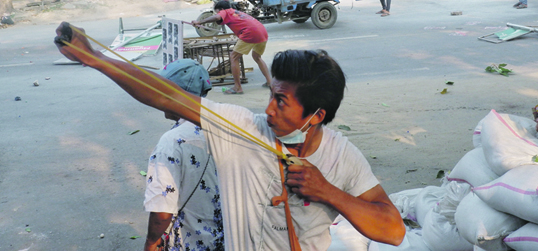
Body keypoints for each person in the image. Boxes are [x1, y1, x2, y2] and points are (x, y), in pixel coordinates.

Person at [54, 24, 405, 250]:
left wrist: (327, 191)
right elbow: (166, 95)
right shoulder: (244, 129)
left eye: (281, 102)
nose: (268, 110)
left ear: (316, 116)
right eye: (271, 94)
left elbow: (394, 231)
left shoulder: (342, 156)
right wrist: (96, 58)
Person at [143, 59, 225, 251]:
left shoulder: (171, 143)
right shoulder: (227, 125)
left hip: (191, 244)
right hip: (230, 238)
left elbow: (162, 212)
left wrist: (151, 243)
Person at [194, 0, 272, 94]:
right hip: (262, 31)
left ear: (222, 9)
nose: (218, 13)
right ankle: (270, 82)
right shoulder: (235, 12)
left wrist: (200, 22)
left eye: (218, 11)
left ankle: (237, 87)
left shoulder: (225, 11)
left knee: (234, 57)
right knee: (257, 57)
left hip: (250, 33)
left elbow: (217, 17)